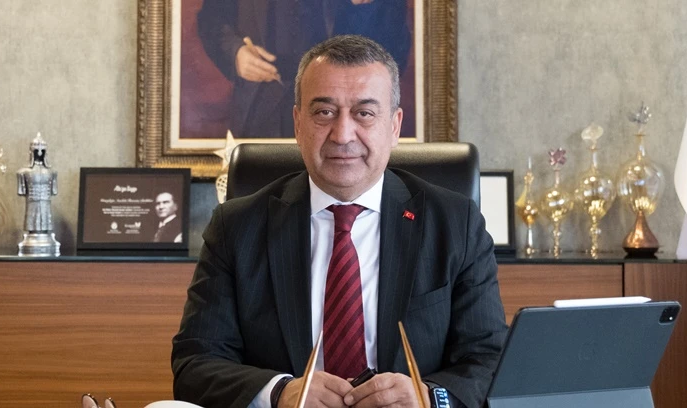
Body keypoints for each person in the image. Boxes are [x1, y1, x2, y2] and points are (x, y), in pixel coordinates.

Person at [172, 35, 507, 408]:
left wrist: (429, 396)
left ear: (394, 126)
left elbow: (490, 359)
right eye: (324, 112)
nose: (343, 134)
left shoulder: (456, 224)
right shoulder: (236, 228)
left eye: (364, 113)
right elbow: (195, 365)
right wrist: (279, 392)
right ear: (298, 123)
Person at [196, 0, 411, 138]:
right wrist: (235, 53)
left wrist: (365, 8)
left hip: (340, 113)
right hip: (260, 105)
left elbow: (395, 53)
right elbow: (212, 19)